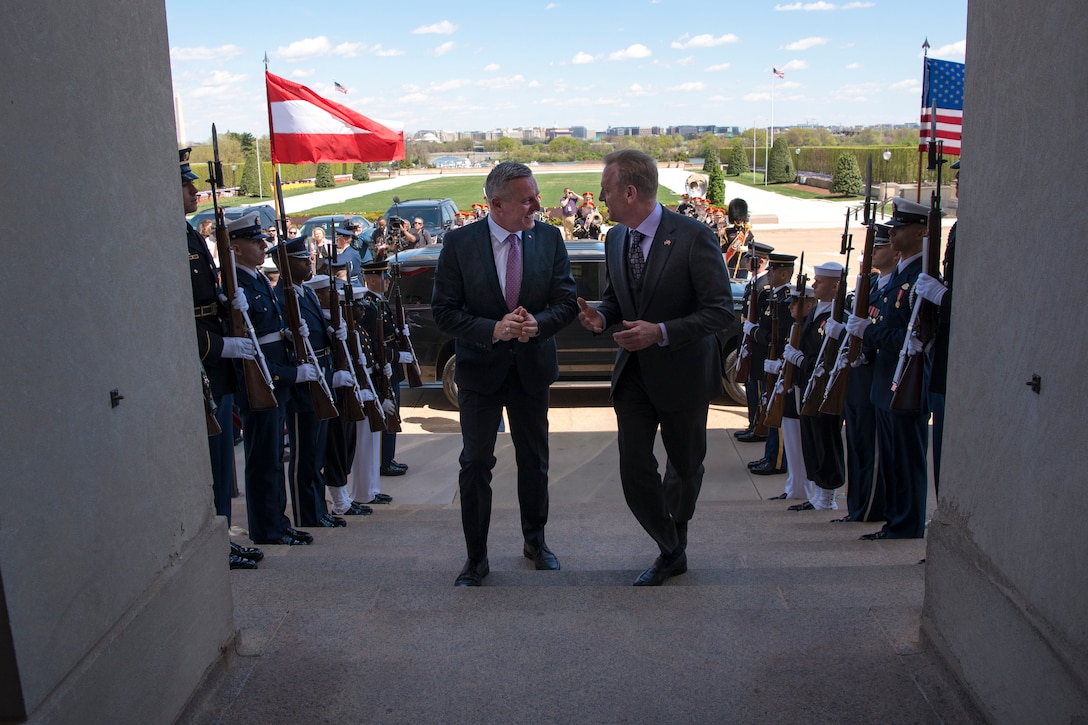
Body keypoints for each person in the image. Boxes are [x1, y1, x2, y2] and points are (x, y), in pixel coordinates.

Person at [577, 149, 733, 586]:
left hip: (682, 373)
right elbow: (616, 298)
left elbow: (721, 312)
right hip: (634, 376)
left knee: (684, 469)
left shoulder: (694, 237)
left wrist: (660, 331)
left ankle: (672, 548)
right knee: (633, 469)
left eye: (607, 191)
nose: (603, 199)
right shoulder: (615, 238)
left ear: (630, 191)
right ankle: (672, 547)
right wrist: (602, 316)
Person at [432, 161, 578, 587]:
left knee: (535, 460)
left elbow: (566, 301)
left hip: (532, 369)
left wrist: (541, 324)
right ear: (496, 203)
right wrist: (491, 330)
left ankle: (536, 541)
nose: (538, 204)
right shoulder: (460, 244)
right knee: (476, 462)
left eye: (535, 194)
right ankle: (475, 558)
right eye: (527, 198)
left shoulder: (549, 238)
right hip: (480, 371)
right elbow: (444, 312)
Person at [180, 148, 263, 570]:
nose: (195, 190)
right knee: (213, 457)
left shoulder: (190, 232)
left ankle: (224, 538)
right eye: (186, 184)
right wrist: (217, 345)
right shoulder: (171, 234)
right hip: (205, 357)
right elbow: (175, 310)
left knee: (221, 460)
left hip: (216, 362)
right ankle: (215, 544)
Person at [229, 212, 318, 547]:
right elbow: (250, 346)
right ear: (235, 248)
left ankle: (278, 521)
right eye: (255, 241)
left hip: (274, 381)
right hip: (262, 380)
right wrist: (291, 373)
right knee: (263, 459)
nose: (262, 245)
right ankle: (266, 528)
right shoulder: (237, 285)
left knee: (273, 459)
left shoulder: (256, 281)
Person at [846, 198, 931, 540]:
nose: (893, 233)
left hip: (905, 381)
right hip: (884, 378)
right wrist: (865, 347)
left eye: (900, 228)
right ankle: (895, 520)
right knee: (894, 460)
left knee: (907, 459)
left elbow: (913, 336)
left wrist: (870, 332)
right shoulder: (899, 277)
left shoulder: (920, 277)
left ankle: (907, 522)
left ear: (921, 232)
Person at [274, 237, 350, 530]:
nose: (310, 263)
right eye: (303, 260)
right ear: (286, 263)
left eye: (310, 258)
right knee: (304, 455)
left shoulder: (304, 293)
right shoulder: (282, 297)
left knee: (317, 454)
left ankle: (318, 509)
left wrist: (333, 332)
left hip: (321, 376)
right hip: (303, 383)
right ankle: (307, 513)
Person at [835, 223, 895, 523]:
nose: (869, 254)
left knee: (870, 450)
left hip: (875, 376)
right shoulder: (869, 288)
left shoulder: (892, 287)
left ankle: (870, 508)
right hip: (859, 377)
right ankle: (856, 506)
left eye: (878, 248)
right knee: (856, 447)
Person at [792, 262, 846, 512]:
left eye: (819, 282)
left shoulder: (837, 316)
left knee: (826, 438)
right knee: (811, 437)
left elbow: (829, 357)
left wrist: (801, 360)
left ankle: (828, 494)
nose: (814, 286)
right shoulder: (817, 312)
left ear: (835, 286)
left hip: (825, 388)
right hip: (809, 383)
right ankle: (817, 491)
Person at [748, 253, 795, 480]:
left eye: (773, 271)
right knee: (769, 406)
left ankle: (778, 460)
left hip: (777, 362)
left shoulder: (787, 300)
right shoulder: (772, 297)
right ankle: (770, 454)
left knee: (777, 410)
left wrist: (755, 332)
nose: (768, 274)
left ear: (784, 273)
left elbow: (781, 336)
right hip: (768, 360)